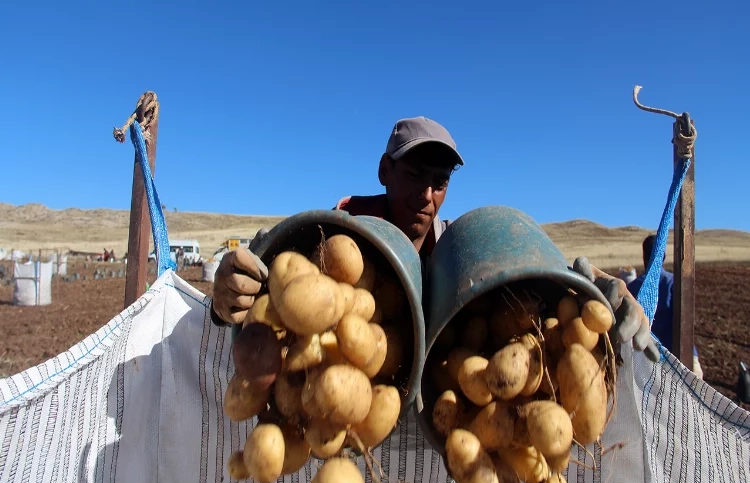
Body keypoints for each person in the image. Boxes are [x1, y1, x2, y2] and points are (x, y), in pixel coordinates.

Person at [209, 116, 657, 359]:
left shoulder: (462, 251)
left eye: (439, 182)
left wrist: (584, 286)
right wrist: (229, 293)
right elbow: (263, 294)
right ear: (385, 171)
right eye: (413, 174)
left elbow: (533, 289)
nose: (426, 195)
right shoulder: (334, 236)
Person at [627, 234, 703, 378]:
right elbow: (685, 323)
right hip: (676, 358)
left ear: (644, 256)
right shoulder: (675, 284)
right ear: (663, 257)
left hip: (644, 361)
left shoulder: (632, 288)